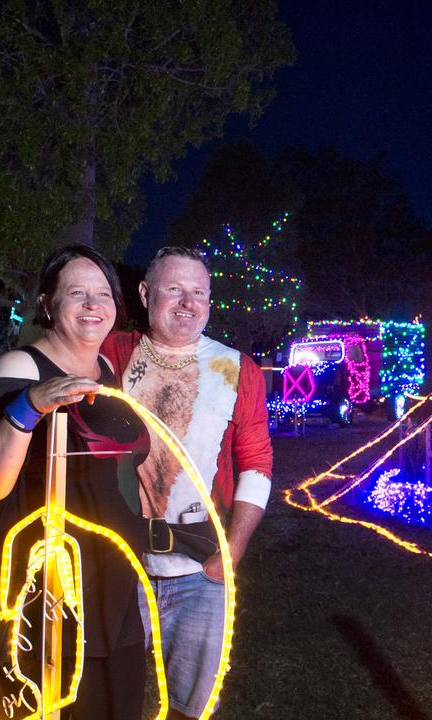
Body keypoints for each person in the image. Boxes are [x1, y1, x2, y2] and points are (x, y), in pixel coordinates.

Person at [0, 245, 148, 719]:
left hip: (110, 577)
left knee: (112, 702)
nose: (93, 305)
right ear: (47, 303)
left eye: (102, 293)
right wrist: (30, 406)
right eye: (77, 293)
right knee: (48, 700)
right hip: (44, 585)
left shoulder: (108, 369)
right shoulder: (19, 368)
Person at [101, 246, 272, 719]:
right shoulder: (110, 353)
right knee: (112, 697)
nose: (186, 302)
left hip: (201, 568)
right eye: (174, 289)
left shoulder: (237, 370)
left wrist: (231, 551)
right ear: (145, 293)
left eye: (199, 292)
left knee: (188, 707)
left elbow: (256, 463)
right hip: (122, 564)